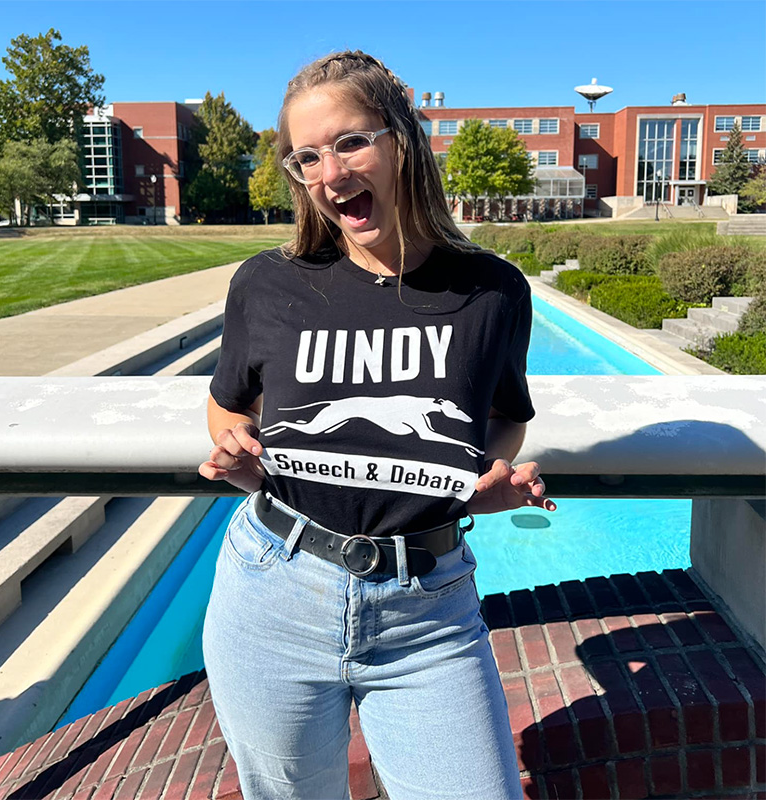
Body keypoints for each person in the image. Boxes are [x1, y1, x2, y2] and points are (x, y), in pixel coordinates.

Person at [199, 50, 556, 800]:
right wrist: (236, 448)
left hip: (427, 611)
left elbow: (503, 418)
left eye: (351, 142)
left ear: (403, 140)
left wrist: (477, 483)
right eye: (307, 157)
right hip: (273, 591)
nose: (331, 174)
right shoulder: (267, 283)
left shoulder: (491, 290)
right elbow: (230, 405)